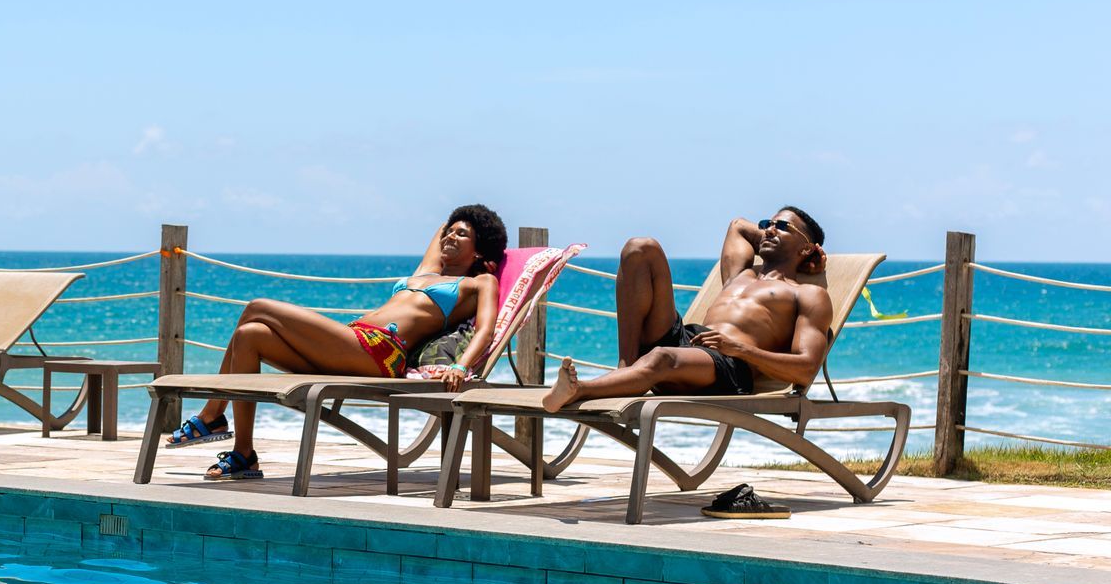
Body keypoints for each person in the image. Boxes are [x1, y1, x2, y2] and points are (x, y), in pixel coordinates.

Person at [169, 205, 508, 480]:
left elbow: (486, 330)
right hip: (353, 341)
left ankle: (212, 415)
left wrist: (462, 366)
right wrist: (461, 221)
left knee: (257, 307)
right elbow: (443, 225)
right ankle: (244, 454)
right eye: (450, 231)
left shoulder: (478, 282)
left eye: (461, 234)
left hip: (381, 350)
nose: (449, 236)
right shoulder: (428, 271)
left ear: (479, 250)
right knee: (249, 336)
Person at [542, 206, 832, 413]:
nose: (769, 228)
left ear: (806, 248)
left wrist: (739, 349)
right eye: (768, 222)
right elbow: (738, 226)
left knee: (661, 357)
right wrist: (777, 236)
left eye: (782, 227)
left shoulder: (807, 294)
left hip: (729, 365)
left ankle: (579, 391)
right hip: (690, 342)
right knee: (640, 248)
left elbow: (806, 369)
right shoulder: (739, 275)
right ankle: (626, 370)